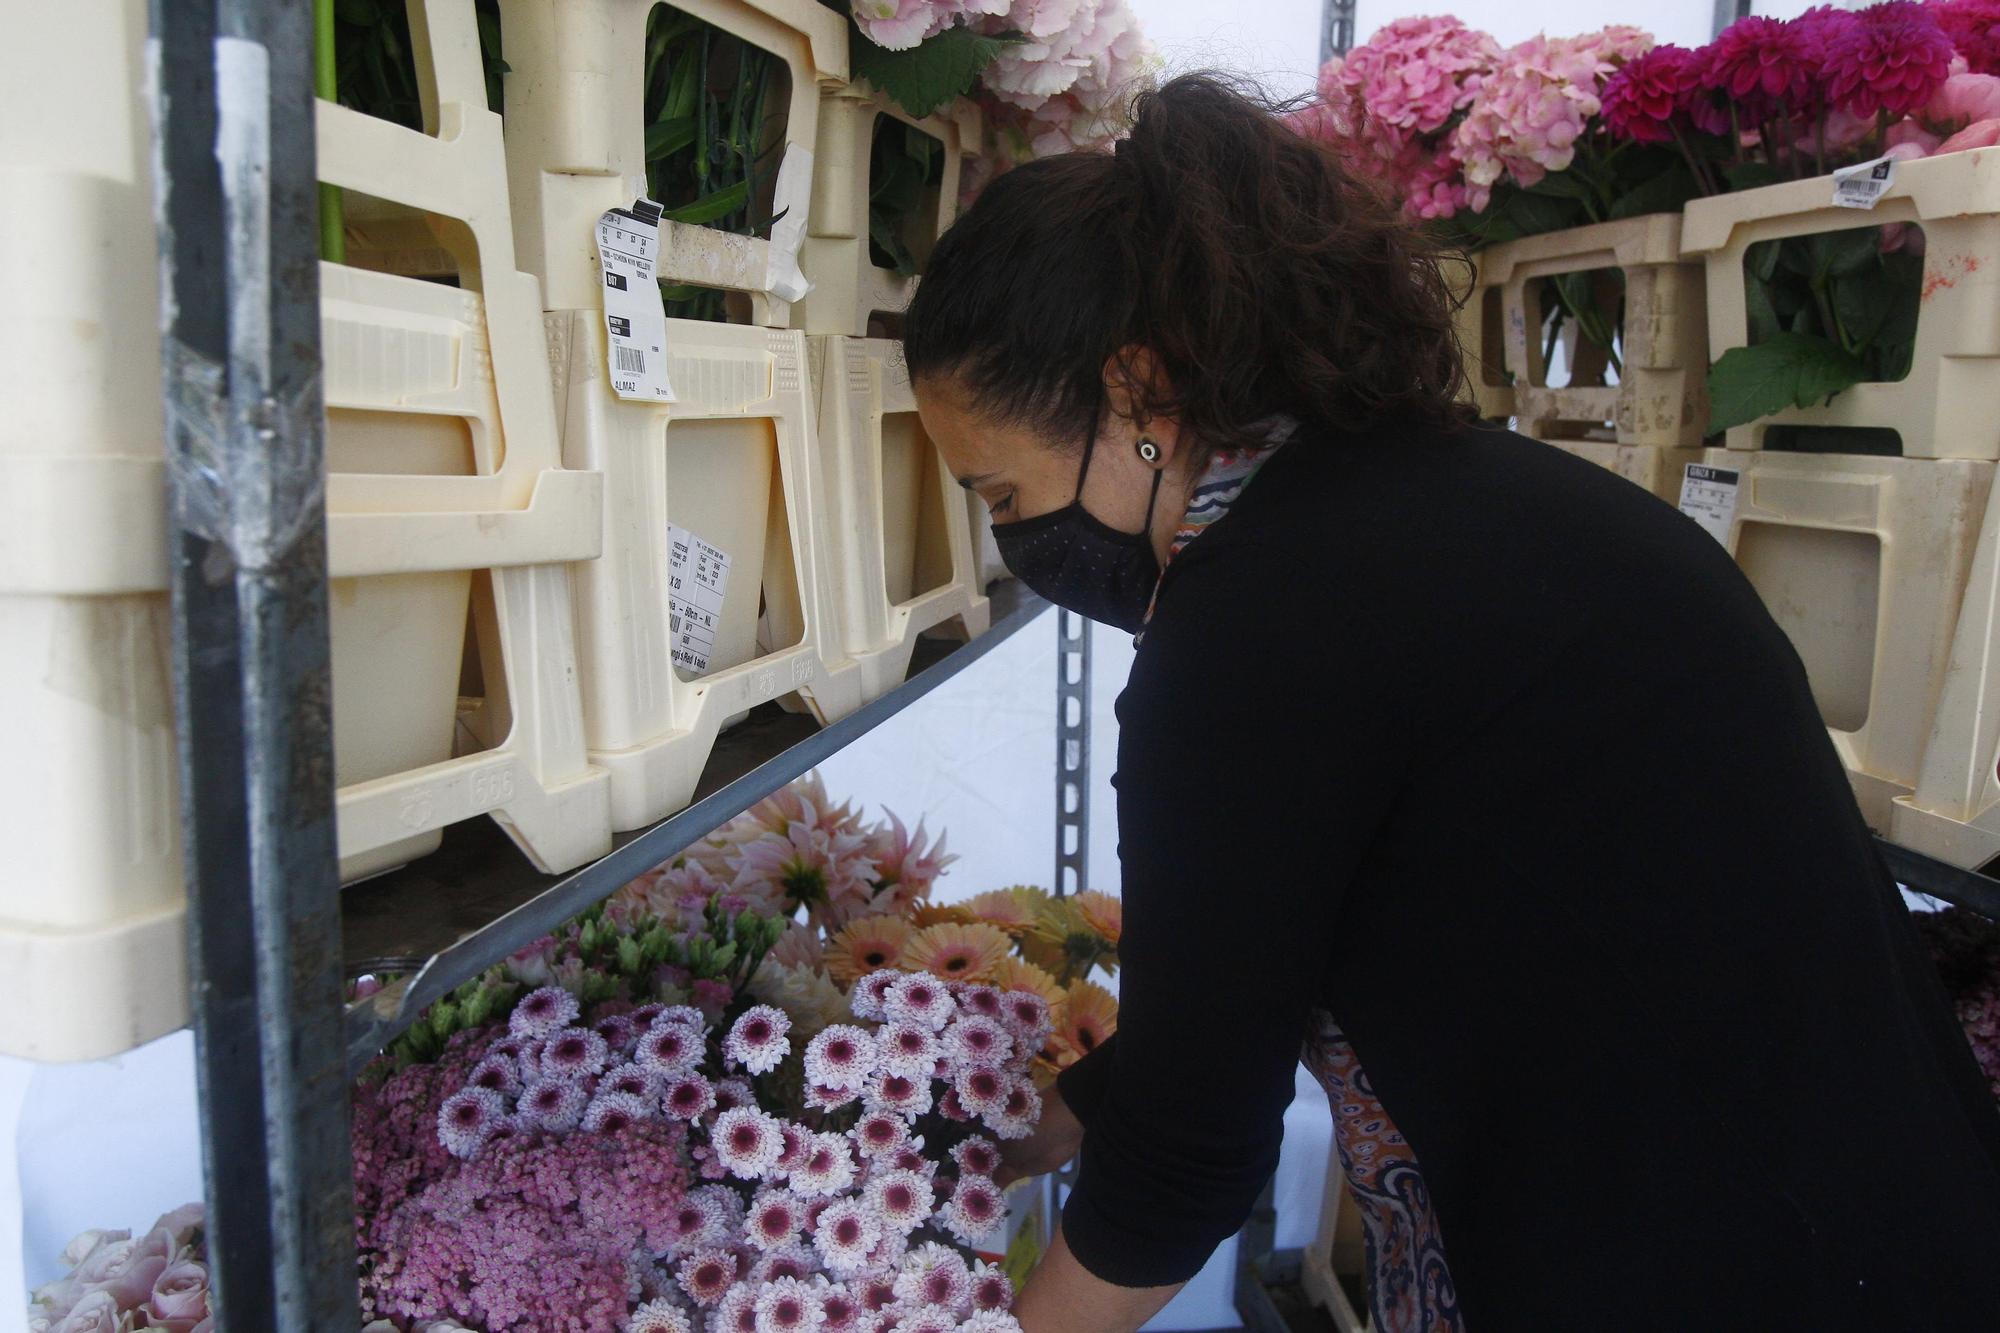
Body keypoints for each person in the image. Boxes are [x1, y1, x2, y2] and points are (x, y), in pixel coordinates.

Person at [900, 73, 2000, 1333]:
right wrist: (986, 1139)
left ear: (1140, 391)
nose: (1011, 540)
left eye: (999, 493)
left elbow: (1184, 1162)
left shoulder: (1253, 624)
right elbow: (1240, 986)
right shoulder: (1484, 500)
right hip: (1881, 1229)